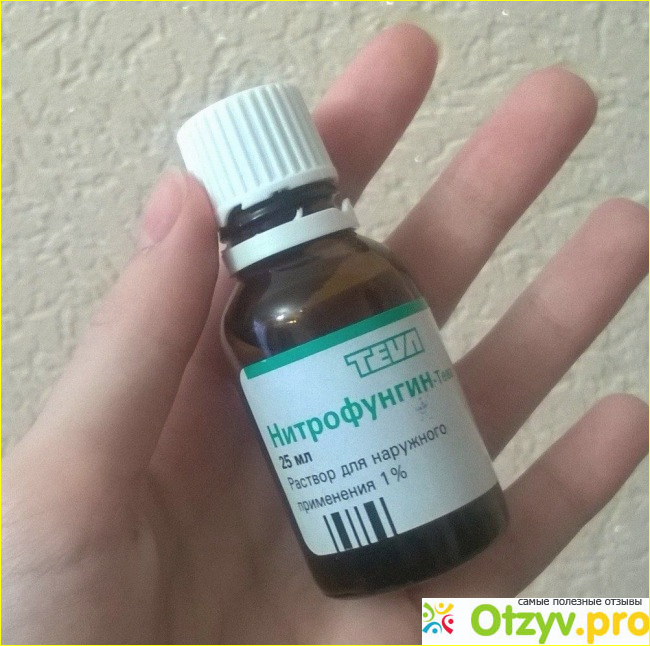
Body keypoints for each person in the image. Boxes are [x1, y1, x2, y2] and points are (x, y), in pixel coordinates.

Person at [2, 23, 647, 645]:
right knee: (605, 630)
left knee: (609, 628)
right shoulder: (255, 317)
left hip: (409, 572)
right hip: (345, 567)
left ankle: (621, 627)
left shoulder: (360, 273)